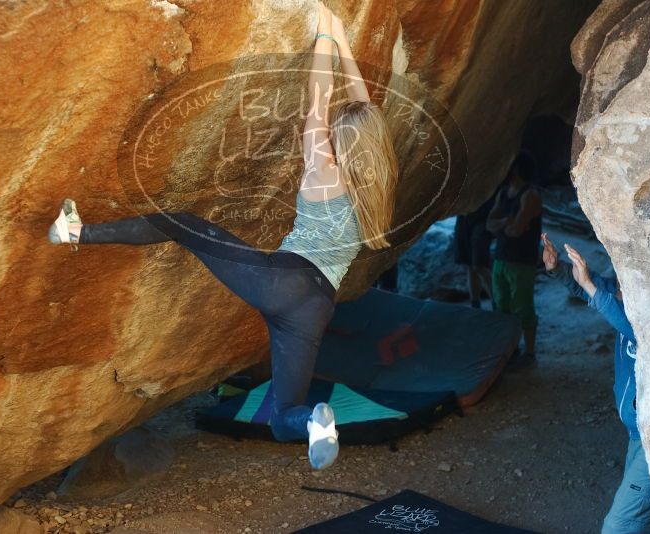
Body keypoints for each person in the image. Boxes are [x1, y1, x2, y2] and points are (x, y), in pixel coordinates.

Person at [47, 2, 398, 471]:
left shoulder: (323, 168)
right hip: (316, 306)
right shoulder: (375, 181)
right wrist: (342, 41)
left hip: (286, 280)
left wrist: (326, 41)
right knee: (281, 419)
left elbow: (321, 95)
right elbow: (362, 109)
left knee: (181, 222)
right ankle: (314, 422)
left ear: (341, 143)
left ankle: (75, 231)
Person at [542, 234, 650, 534]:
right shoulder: (617, 296)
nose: (615, 286)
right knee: (646, 515)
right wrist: (557, 269)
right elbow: (588, 289)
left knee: (620, 524)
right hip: (636, 434)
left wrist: (591, 285)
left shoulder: (649, 317)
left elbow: (630, 327)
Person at [486, 152, 542, 367]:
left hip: (521, 260)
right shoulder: (504, 193)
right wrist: (507, 222)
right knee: (501, 304)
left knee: (522, 306)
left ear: (516, 169)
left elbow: (516, 230)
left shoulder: (530, 195)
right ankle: (511, 350)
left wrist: (503, 224)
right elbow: (489, 225)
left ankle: (529, 354)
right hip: (501, 257)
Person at [454, 194, 495, 308]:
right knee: (470, 266)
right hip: (464, 218)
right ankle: (475, 305)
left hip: (482, 217)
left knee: (479, 265)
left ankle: (498, 302)